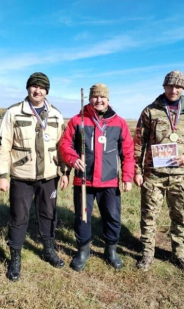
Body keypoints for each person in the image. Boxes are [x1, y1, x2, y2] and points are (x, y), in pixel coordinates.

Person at [0, 72, 69, 281]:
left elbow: (62, 146)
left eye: (42, 87)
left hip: (49, 176)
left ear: (47, 91)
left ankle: (48, 249)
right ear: (28, 88)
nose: (38, 91)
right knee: (19, 217)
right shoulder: (14, 113)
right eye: (34, 86)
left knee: (48, 215)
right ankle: (15, 257)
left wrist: (64, 172)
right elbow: (3, 144)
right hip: (21, 176)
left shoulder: (55, 114)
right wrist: (1, 174)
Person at [134, 70, 184, 272]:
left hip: (179, 176)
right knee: (149, 216)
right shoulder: (150, 111)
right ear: (164, 86)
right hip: (153, 175)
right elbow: (139, 144)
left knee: (180, 216)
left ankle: (179, 255)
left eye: (178, 86)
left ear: (183, 88)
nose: (174, 90)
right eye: (170, 85)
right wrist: (137, 171)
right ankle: (147, 254)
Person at [59, 83, 134, 271]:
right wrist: (73, 158)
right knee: (82, 217)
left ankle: (111, 250)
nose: (99, 100)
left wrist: (127, 177)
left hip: (109, 181)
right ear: (90, 98)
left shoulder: (119, 123)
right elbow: (65, 145)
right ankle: (83, 251)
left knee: (113, 217)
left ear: (108, 100)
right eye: (95, 97)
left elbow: (128, 152)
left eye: (102, 97)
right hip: (84, 181)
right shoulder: (78, 120)